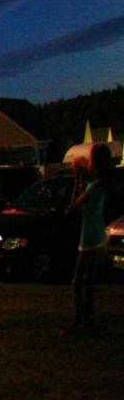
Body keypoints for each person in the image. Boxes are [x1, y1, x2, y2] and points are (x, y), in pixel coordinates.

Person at [67, 142, 113, 331]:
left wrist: (77, 176)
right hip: (98, 237)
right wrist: (82, 176)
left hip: (90, 240)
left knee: (78, 282)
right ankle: (88, 319)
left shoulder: (93, 188)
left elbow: (73, 207)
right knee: (89, 281)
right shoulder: (98, 185)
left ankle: (80, 320)